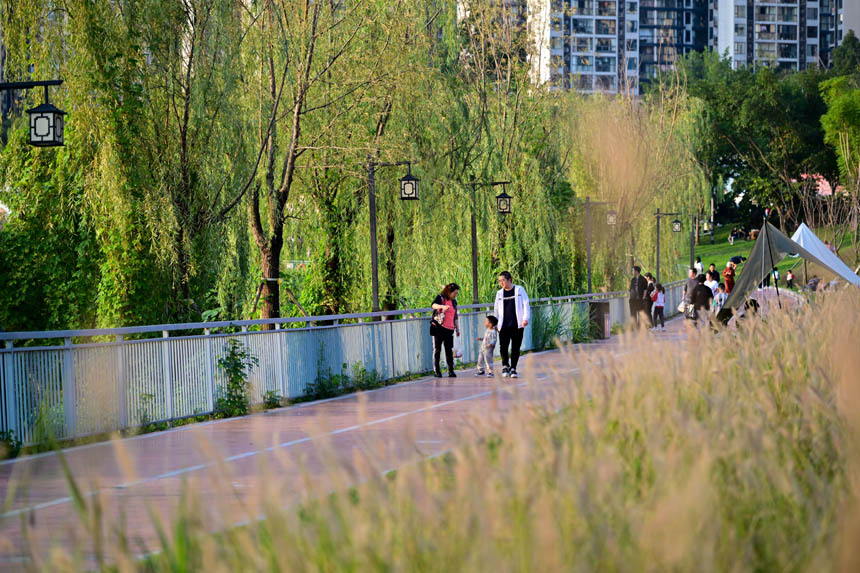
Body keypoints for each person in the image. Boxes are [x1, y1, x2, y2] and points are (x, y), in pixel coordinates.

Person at [494, 271, 530, 379]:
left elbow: (526, 304)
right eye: (500, 281)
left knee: (516, 347)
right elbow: (496, 309)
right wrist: (495, 322)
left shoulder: (519, 290)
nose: (501, 283)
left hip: (517, 324)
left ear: (509, 280)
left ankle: (513, 368)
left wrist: (525, 318)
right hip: (503, 325)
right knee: (503, 347)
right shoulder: (499, 293)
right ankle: (505, 366)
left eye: (503, 280)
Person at [431, 283, 461, 378]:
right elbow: (433, 305)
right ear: (449, 292)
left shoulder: (454, 302)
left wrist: (457, 328)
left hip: (449, 329)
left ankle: (451, 370)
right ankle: (437, 371)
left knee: (449, 350)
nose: (455, 295)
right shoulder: (441, 298)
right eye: (454, 293)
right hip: (439, 328)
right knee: (437, 349)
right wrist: (442, 307)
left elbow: (455, 316)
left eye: (456, 293)